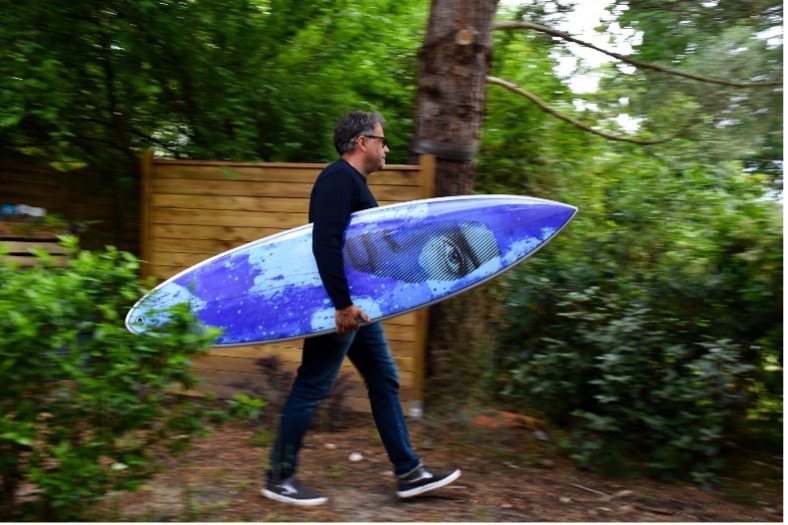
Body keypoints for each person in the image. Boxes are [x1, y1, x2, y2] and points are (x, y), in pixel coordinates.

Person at [262, 111, 461, 506]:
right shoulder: (338, 178)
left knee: (384, 379)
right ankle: (278, 477)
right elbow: (325, 242)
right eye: (382, 141)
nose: (386, 149)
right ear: (362, 142)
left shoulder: (353, 182)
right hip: (340, 307)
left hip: (359, 308)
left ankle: (409, 472)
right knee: (312, 385)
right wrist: (341, 304)